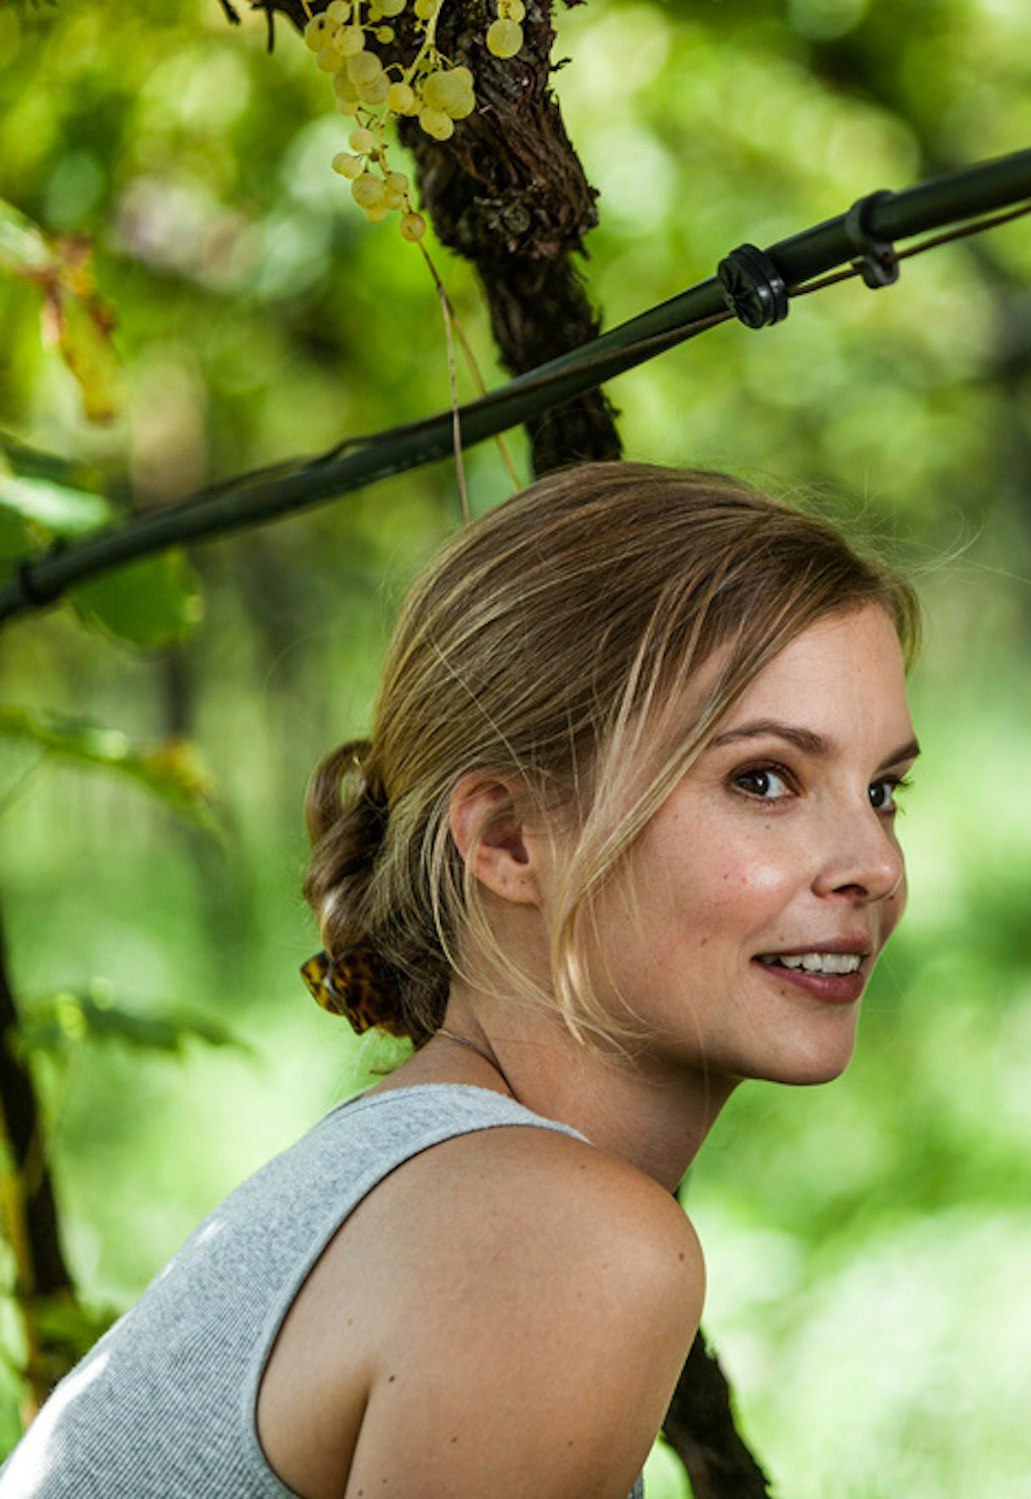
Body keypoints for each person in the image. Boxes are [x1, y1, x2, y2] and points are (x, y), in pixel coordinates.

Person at [0, 463, 920, 1497]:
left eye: (883, 789)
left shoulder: (413, 1166)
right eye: (763, 778)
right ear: (508, 837)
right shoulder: (558, 1242)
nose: (873, 864)